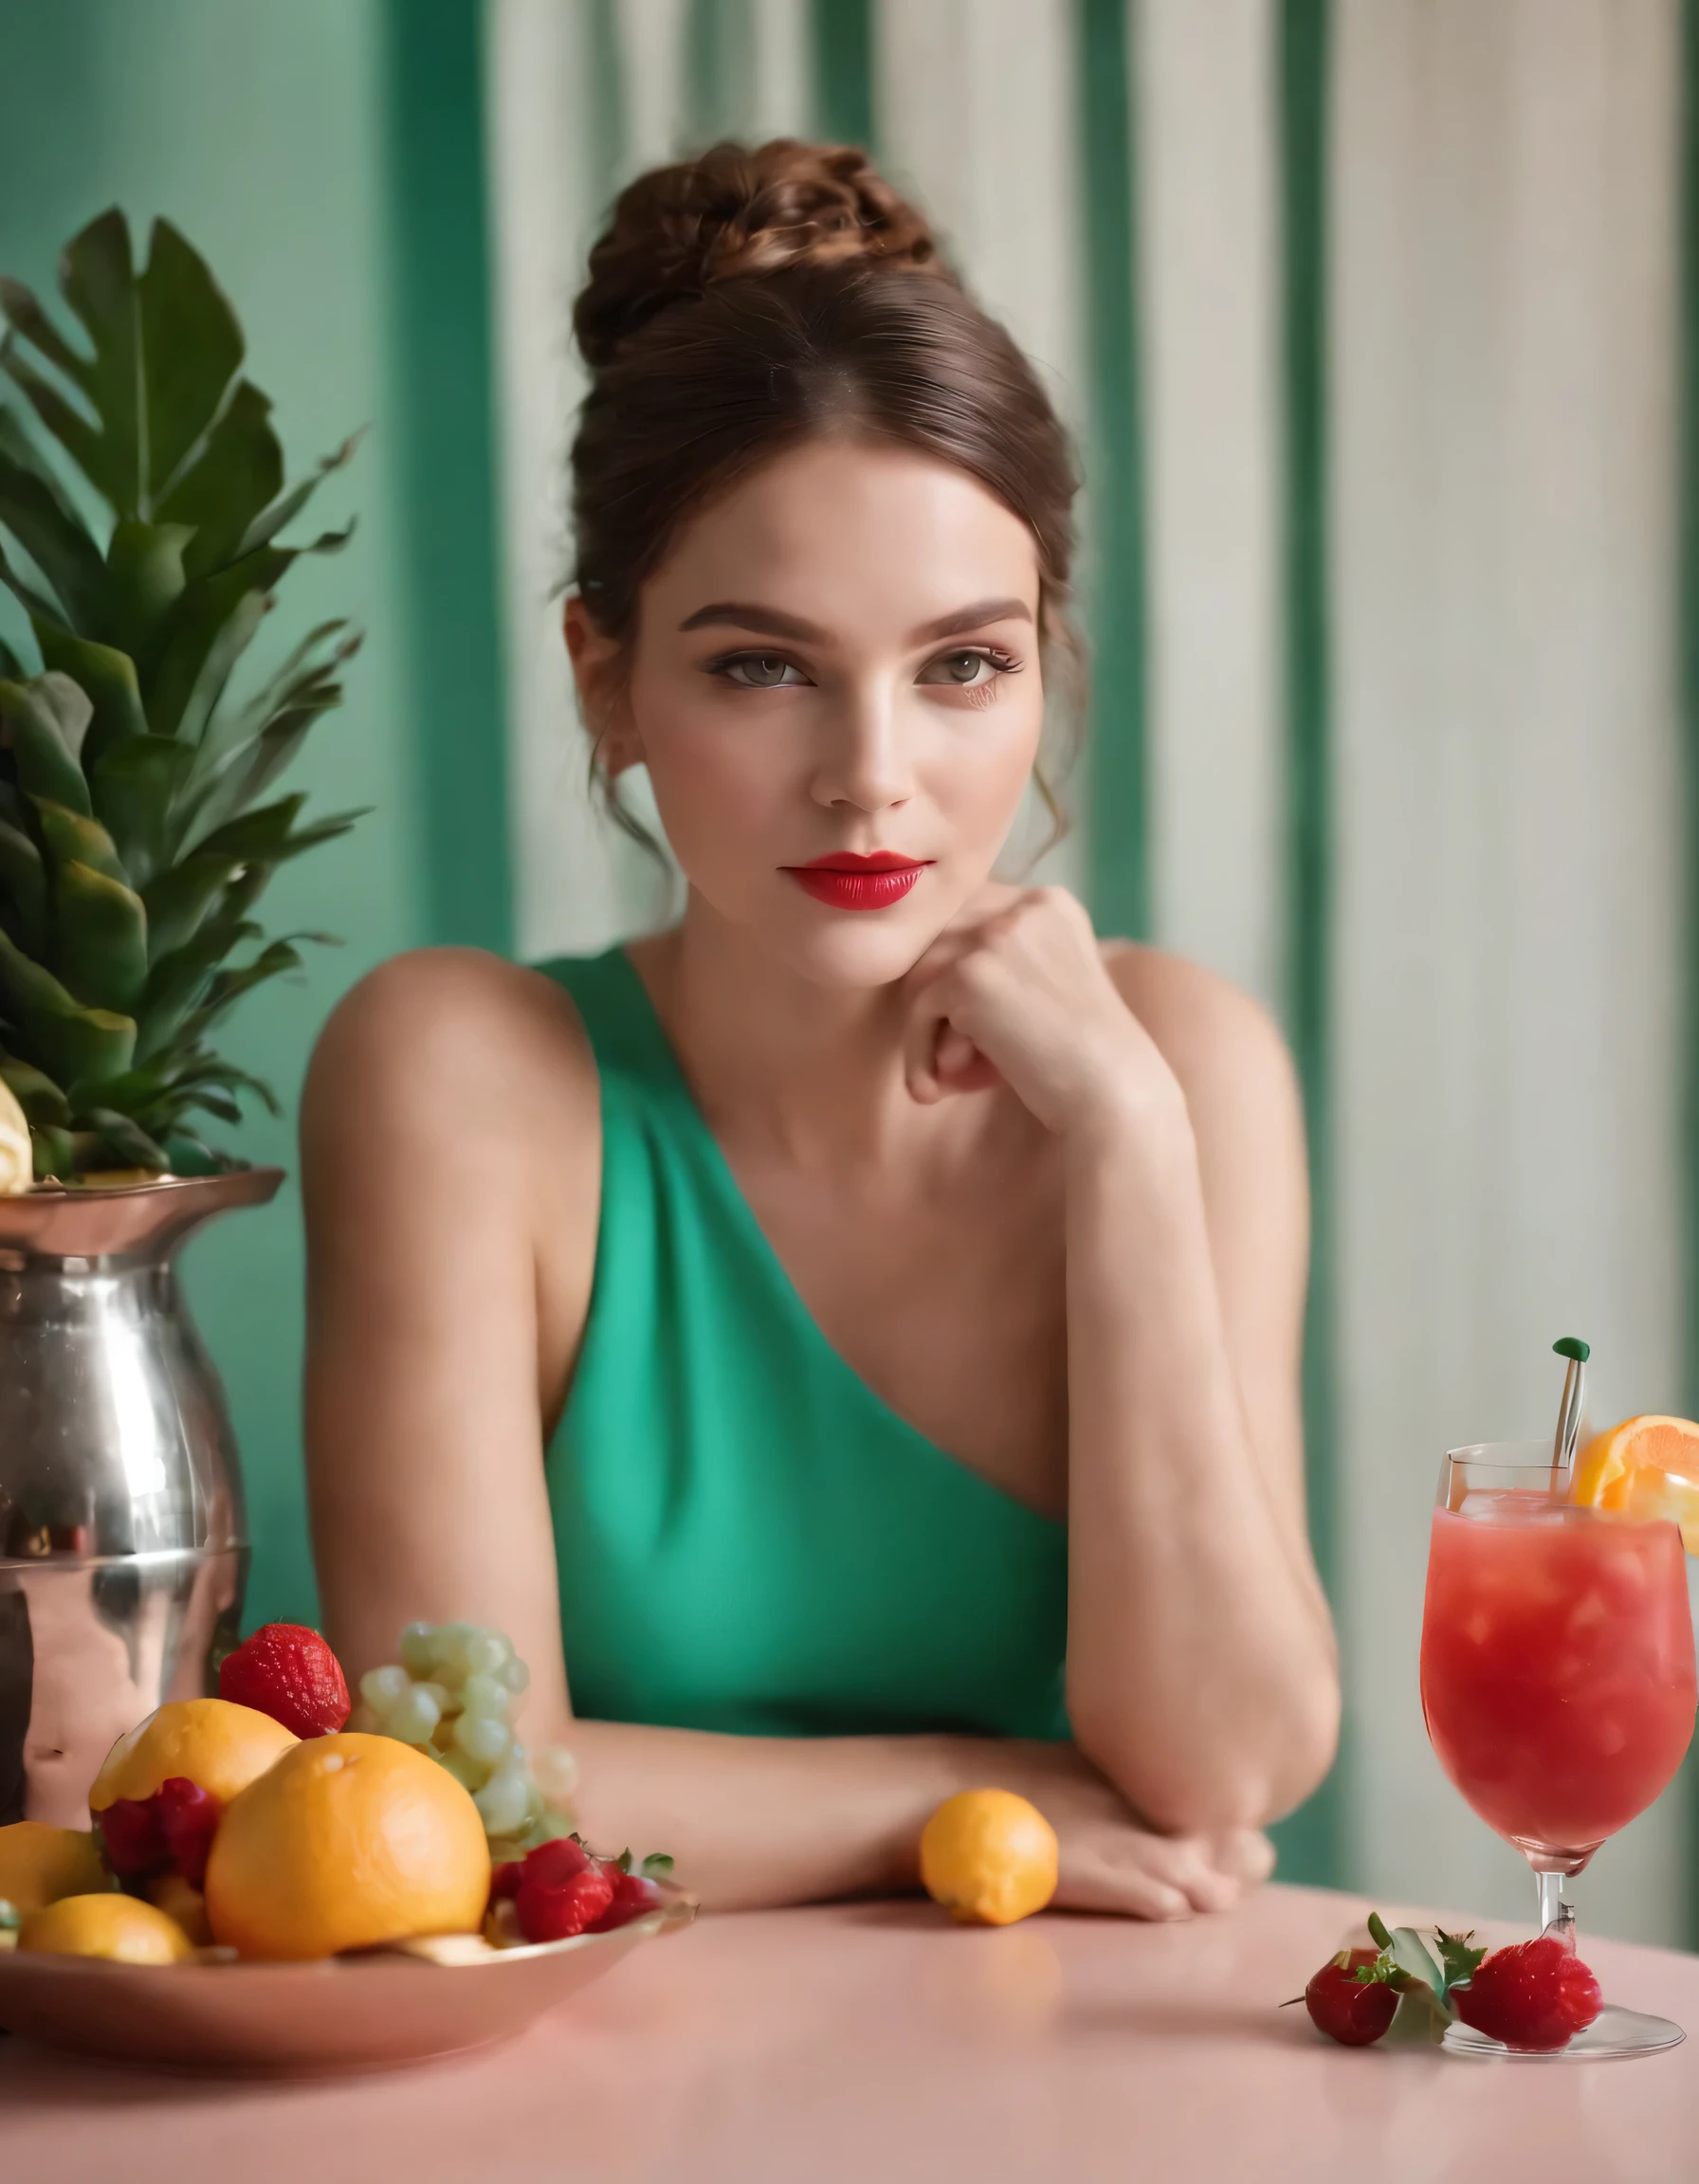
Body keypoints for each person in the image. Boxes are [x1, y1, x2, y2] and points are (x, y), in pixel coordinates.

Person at [302, 139, 1339, 1917]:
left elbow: (1225, 1771)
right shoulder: (460, 1076)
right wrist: (963, 1798)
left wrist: (1126, 1132)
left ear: (1044, 665)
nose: (873, 778)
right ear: (603, 678)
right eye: (762, 665)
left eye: (960, 666)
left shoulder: (1183, 1065)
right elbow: (456, 1796)